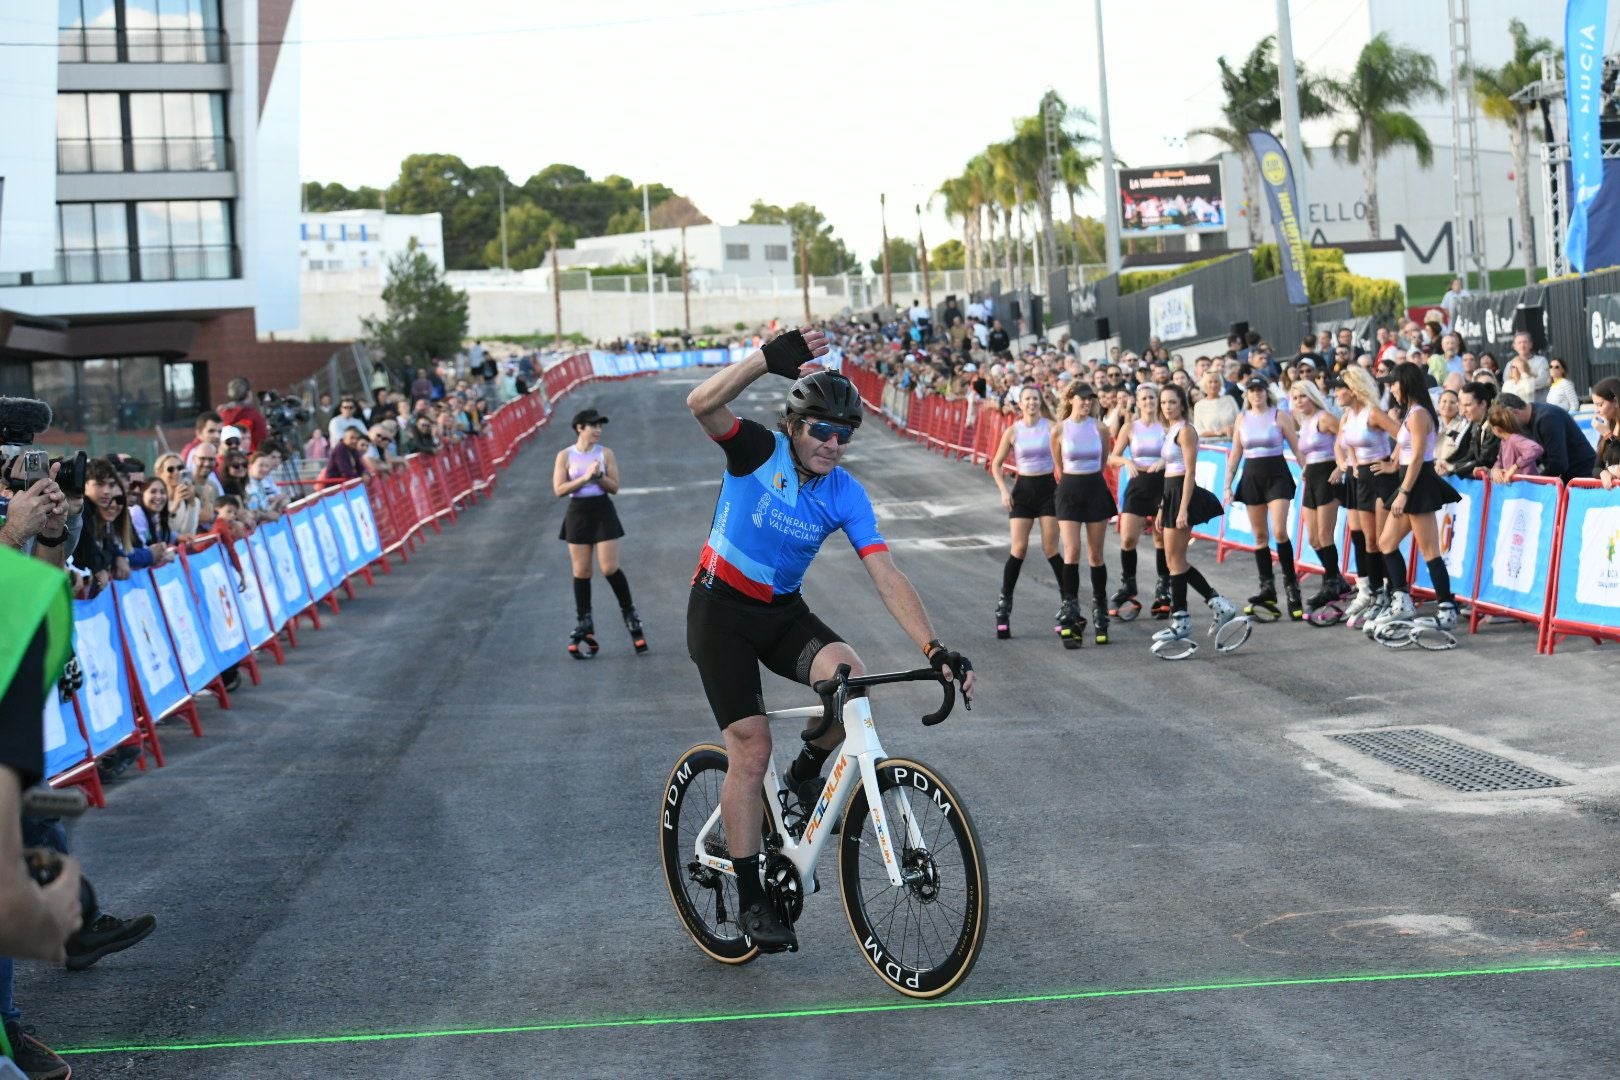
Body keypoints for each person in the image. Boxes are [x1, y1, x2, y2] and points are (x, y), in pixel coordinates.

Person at [683, 327, 972, 952]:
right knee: (749, 745)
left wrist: (933, 649)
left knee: (851, 677)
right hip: (720, 614)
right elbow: (702, 404)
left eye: (845, 434)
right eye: (822, 430)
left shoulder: (846, 492)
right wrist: (762, 361)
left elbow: (886, 573)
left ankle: (809, 769)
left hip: (780, 611)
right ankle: (752, 896)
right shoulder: (759, 451)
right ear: (795, 425)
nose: (833, 443)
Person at [1366, 362, 1462, 636]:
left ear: (1405, 383)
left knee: (1429, 549)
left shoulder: (1419, 414)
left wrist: (1404, 492)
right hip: (1409, 479)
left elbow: (1419, 455)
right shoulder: (1411, 413)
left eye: (1393, 384)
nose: (1392, 390)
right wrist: (1393, 465)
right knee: (1386, 542)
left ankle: (1446, 607)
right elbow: (1405, 446)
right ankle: (1402, 600)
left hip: (1418, 484)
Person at [1152, 384, 1239, 650]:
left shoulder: (1186, 430)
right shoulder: (1169, 431)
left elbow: (1189, 472)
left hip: (1183, 494)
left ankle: (1181, 618)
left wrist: (1181, 510)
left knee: (1176, 560)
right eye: (1164, 402)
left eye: (1172, 402)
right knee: (1172, 560)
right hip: (1170, 493)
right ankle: (1217, 604)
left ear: (1182, 404)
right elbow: (1168, 472)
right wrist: (1161, 507)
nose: (1167, 406)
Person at [553, 408, 644, 657]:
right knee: (581, 570)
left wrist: (600, 476)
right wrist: (585, 478)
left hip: (602, 510)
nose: (598, 430)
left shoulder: (605, 453)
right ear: (579, 428)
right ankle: (584, 619)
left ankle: (629, 612)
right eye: (593, 425)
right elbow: (559, 489)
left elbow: (614, 487)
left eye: (600, 426)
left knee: (608, 567)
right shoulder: (565, 455)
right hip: (578, 513)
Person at [1224, 377, 1304, 619]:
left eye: (1260, 390)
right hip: (1252, 477)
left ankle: (1292, 588)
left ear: (1266, 392)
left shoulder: (1279, 415)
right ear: (1246, 394)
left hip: (1277, 475)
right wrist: (1227, 485)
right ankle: (1267, 589)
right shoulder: (1242, 419)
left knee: (1279, 531)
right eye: (1252, 390)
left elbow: (1298, 448)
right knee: (1260, 536)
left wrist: (1308, 474)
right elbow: (1235, 455)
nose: (1256, 394)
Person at [988, 385, 1063, 638]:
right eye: (1027, 399)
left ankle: (1068, 603)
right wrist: (1003, 491)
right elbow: (996, 465)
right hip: (1023, 490)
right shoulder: (1013, 430)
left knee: (1050, 548)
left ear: (1040, 402)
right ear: (1020, 404)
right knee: (1018, 549)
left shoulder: (1051, 426)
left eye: (1035, 399)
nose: (1031, 403)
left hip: (1048, 490)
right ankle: (1004, 606)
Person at [1335, 366, 1403, 629]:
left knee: (1383, 539)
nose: (1336, 393)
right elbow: (1345, 444)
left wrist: (1393, 464)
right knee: (1369, 541)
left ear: (1354, 390)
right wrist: (1350, 464)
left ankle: (1392, 592)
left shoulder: (1373, 412)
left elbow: (1404, 436)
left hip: (1381, 477)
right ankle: (1376, 593)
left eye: (1341, 388)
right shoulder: (1347, 416)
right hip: (1361, 478)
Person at [1050, 381, 1116, 646]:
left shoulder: (1101, 428)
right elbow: (1058, 465)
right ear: (1071, 399)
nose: (1087, 403)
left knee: (1095, 554)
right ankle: (1070, 606)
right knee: (1072, 550)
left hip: (1094, 488)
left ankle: (1100, 608)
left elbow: (1102, 463)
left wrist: (1090, 480)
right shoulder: (1059, 430)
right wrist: (1071, 482)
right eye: (1082, 398)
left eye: (1091, 399)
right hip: (1069, 489)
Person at [1107, 383, 1172, 619]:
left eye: (1152, 398)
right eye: (1144, 398)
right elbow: (1112, 456)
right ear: (1137, 401)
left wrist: (1164, 462)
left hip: (1162, 483)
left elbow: (1180, 453)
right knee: (1127, 537)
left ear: (1158, 400)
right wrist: (1127, 462)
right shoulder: (1130, 427)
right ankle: (1129, 585)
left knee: (1160, 537)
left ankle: (1163, 588)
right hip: (1137, 484)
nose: (1148, 402)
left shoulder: (1166, 426)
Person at [1290, 379, 1349, 610]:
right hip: (1312, 477)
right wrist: (1306, 468)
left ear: (1312, 396)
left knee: (1325, 536)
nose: (1299, 401)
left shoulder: (1324, 417)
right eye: (1295, 398)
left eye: (1303, 396)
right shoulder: (1304, 421)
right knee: (1313, 538)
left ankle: (1331, 582)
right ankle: (1338, 579)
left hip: (1328, 476)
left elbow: (1346, 438)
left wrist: (1341, 466)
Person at [1495, 393, 1597, 483]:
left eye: (1506, 421)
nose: (1508, 427)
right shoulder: (1523, 422)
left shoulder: (1547, 418)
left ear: (1514, 412)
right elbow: (1506, 452)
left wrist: (1534, 482)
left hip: (1582, 475)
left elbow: (1558, 463)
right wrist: (1497, 469)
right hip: (1566, 476)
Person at [1438, 382, 1500, 479]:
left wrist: (1453, 467)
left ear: (1483, 404)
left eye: (1467, 405)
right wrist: (1448, 464)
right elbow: (1470, 454)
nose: (1462, 411)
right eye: (1461, 405)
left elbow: (1485, 461)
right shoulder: (1475, 423)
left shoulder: (1494, 426)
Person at [1487, 404, 1545, 482]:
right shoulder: (1504, 442)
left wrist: (1515, 466)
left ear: (1496, 429)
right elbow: (1500, 460)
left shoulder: (1514, 439)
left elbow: (1536, 448)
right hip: (1516, 487)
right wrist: (1496, 469)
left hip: (1528, 487)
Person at [217, 377, 269, 453]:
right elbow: (262, 441)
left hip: (227, 457)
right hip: (250, 458)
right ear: (248, 394)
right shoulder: (253, 415)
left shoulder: (222, 414)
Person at [1193, 371, 1238, 437]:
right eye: (1210, 382)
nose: (1213, 385)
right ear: (1205, 385)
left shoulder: (1230, 399)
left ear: (1220, 384)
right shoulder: (1199, 405)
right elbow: (1198, 431)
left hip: (1232, 440)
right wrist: (1218, 433)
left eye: (1216, 381)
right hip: (1211, 444)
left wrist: (1232, 428)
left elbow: (1240, 421)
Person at [1593, 377, 1620, 487]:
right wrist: (1603, 472)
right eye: (1594, 404)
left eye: (1600, 404)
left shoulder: (1606, 431)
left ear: (1615, 402)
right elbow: (1596, 467)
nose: (1596, 410)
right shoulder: (1608, 426)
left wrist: (1609, 436)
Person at [1510, 330, 1550, 403]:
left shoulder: (1541, 361)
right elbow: (1509, 384)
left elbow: (1542, 381)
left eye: (1525, 342)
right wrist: (1528, 384)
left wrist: (1520, 385)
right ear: (1514, 346)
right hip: (1518, 406)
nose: (1522, 345)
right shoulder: (1510, 364)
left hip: (1539, 404)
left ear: (1531, 344)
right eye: (1519, 343)